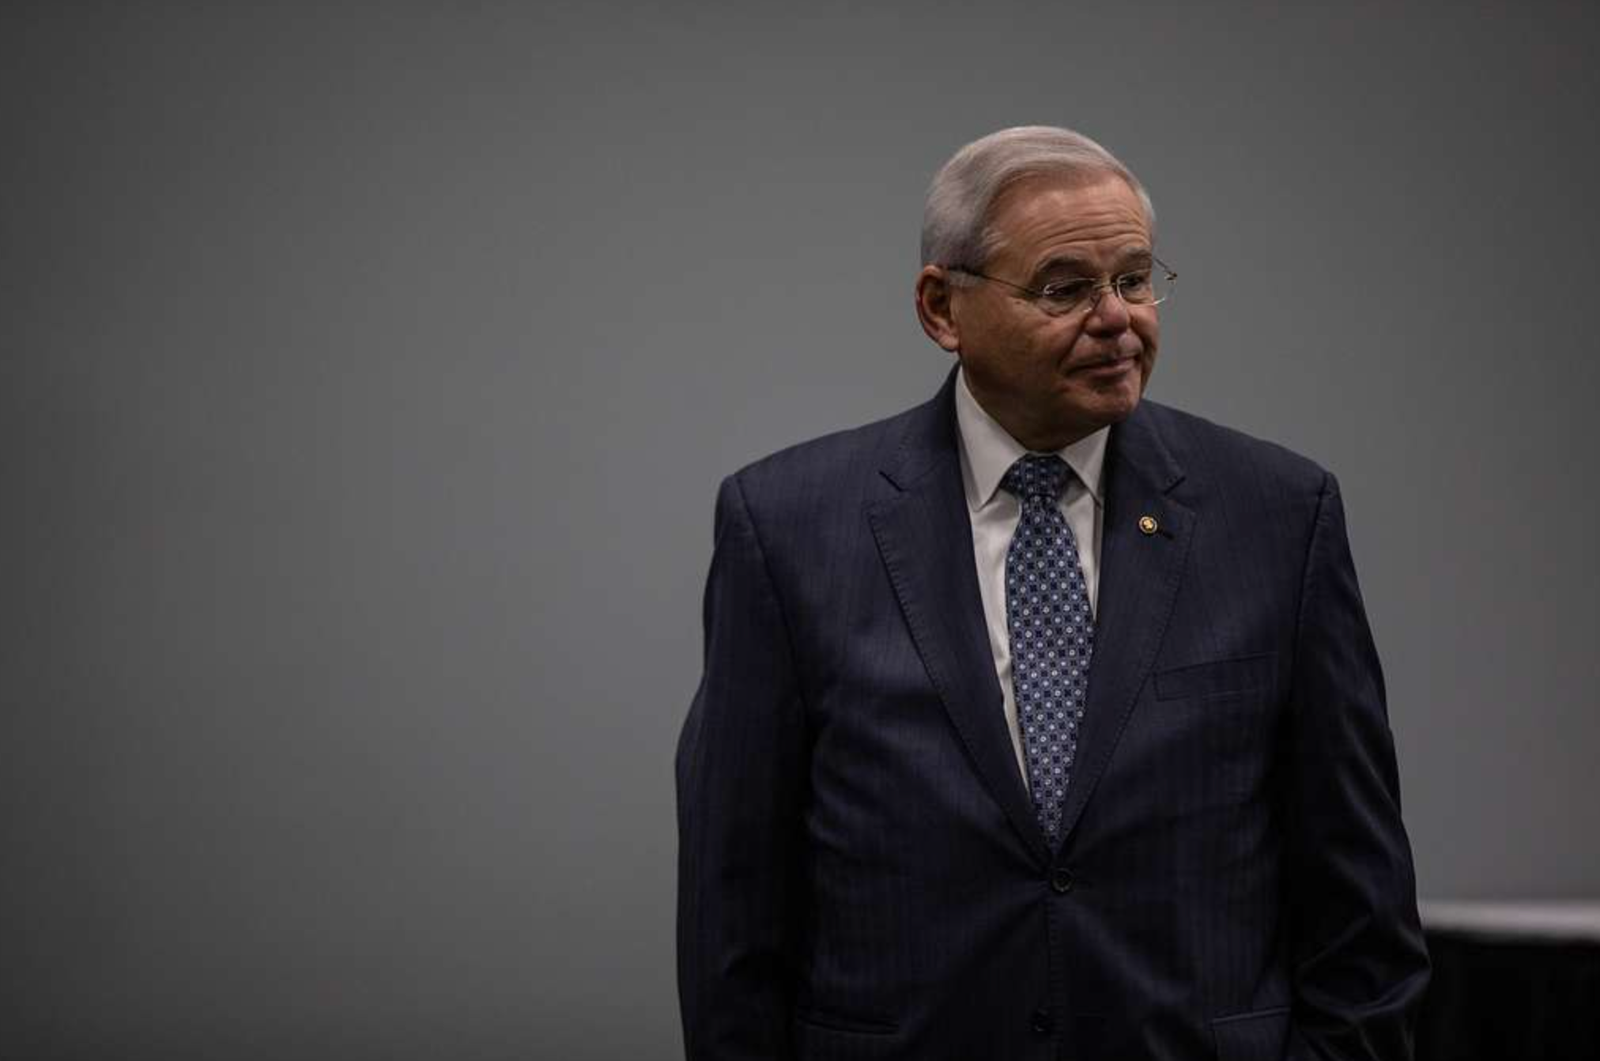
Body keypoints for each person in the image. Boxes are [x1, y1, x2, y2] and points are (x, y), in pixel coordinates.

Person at [675, 125, 1429, 1061]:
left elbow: (1361, 906)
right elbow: (733, 908)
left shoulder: (1277, 515)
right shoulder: (787, 526)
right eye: (1065, 288)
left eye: (1136, 278)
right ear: (942, 307)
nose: (1117, 318)